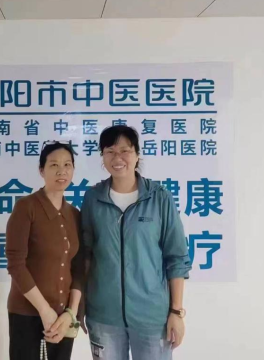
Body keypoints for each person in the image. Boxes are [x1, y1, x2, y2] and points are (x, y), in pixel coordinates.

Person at [81, 126, 191, 360]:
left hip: (152, 317)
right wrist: (80, 305)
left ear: (137, 154)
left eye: (125, 151)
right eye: (110, 152)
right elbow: (85, 256)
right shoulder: (93, 198)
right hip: (104, 316)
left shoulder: (159, 197)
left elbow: (176, 257)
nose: (117, 158)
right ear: (102, 157)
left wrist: (176, 311)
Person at [6, 141, 84, 360]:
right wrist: (44, 309)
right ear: (42, 170)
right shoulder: (26, 207)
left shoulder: (75, 215)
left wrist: (71, 312)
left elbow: (79, 267)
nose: (62, 171)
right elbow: (16, 264)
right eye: (54, 165)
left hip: (63, 318)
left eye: (67, 165)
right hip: (28, 314)